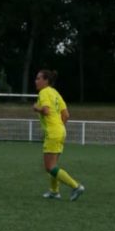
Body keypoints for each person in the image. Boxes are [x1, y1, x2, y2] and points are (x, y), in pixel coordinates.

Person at [34, 69, 84, 200]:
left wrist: (36, 108)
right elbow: (66, 115)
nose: (36, 81)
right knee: (54, 165)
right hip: (61, 130)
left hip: (53, 132)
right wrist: (59, 127)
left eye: (38, 78)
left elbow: (45, 110)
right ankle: (54, 191)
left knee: (49, 167)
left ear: (46, 81)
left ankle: (76, 186)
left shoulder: (44, 92)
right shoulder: (56, 93)